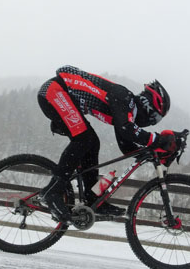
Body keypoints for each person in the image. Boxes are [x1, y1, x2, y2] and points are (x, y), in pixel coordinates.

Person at [36, 65, 177, 223]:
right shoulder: (124, 98)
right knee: (84, 139)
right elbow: (126, 129)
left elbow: (126, 145)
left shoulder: (127, 111)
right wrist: (157, 140)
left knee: (92, 142)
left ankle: (92, 198)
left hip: (58, 94)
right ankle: (53, 191)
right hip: (55, 91)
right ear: (148, 106)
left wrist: (151, 152)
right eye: (156, 118)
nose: (152, 123)